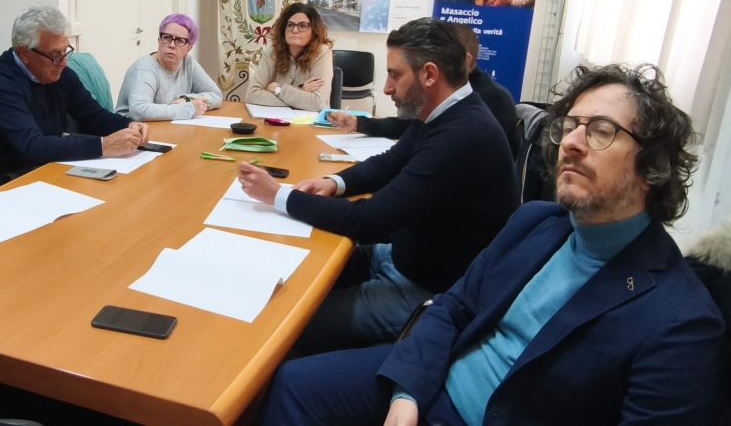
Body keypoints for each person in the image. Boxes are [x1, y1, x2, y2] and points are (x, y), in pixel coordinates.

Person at [260, 63, 725, 426]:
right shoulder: (537, 222)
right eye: (570, 126)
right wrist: (407, 392)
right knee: (292, 383)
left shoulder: (682, 324)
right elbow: (453, 306)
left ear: (653, 165)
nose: (572, 143)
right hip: (434, 381)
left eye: (601, 130)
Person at [238, 17, 517, 352]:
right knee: (294, 273)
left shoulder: (462, 135)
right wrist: (334, 182)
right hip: (404, 258)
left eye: (395, 75)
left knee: (288, 324)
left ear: (430, 74)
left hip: (431, 290)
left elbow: (368, 219)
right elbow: (390, 162)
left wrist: (278, 195)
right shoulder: (443, 112)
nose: (386, 88)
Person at [0, 5, 149, 187]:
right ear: (24, 53)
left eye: (66, 51)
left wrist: (128, 124)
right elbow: (32, 146)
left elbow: (94, 115)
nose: (64, 62)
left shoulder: (60, 73)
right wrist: (104, 145)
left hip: (40, 168)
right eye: (55, 55)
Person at [329, 23, 518, 156]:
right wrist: (360, 123)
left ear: (465, 60)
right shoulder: (449, 99)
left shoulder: (488, 101)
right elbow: (409, 127)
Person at [115, 13, 222, 121]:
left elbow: (216, 95)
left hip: (166, 126)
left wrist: (187, 99)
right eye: (167, 38)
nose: (171, 45)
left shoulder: (188, 63)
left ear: (189, 49)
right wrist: (189, 109)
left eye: (179, 40)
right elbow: (139, 111)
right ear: (159, 41)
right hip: (130, 127)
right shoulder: (144, 68)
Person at [245, 2, 334, 111]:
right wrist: (301, 91)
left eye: (302, 25)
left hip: (311, 119)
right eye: (290, 25)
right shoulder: (272, 52)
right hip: (276, 117)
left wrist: (277, 89)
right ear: (284, 29)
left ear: (313, 31)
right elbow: (252, 95)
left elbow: (317, 103)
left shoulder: (322, 52)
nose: (295, 30)